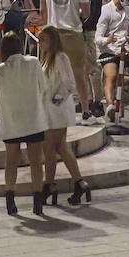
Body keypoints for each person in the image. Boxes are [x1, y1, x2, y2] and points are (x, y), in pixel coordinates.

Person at [0, 32, 50, 216]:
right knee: (36, 161)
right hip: (33, 120)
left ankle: (10, 200)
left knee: (11, 162)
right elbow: (44, 88)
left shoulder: (0, 70)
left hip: (12, 123)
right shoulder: (34, 63)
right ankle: (37, 200)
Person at [39, 0, 94, 123]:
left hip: (50, 31)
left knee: (47, 71)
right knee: (79, 73)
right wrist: (74, 10)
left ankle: (42, 107)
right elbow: (86, 13)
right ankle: (85, 110)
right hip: (72, 31)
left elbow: (43, 11)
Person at [37, 25, 91, 206]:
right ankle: (75, 182)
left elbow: (69, 83)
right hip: (51, 110)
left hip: (56, 110)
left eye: (43, 39)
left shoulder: (60, 58)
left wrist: (55, 98)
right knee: (58, 147)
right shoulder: (47, 59)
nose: (40, 43)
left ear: (52, 40)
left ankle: (51, 184)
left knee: (51, 148)